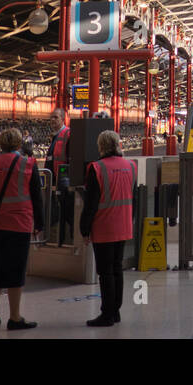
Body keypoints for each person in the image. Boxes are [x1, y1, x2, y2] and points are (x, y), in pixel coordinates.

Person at [0, 128, 44, 330]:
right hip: (19, 224)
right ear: (20, 144)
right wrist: (39, 224)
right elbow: (36, 197)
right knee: (16, 270)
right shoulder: (28, 164)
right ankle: (14, 317)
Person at [79, 129, 137, 327]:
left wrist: (84, 229)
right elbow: (133, 196)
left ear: (101, 146)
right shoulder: (131, 166)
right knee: (117, 269)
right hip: (124, 224)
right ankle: (116, 311)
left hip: (104, 227)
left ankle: (107, 314)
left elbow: (91, 204)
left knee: (105, 272)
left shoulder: (97, 168)